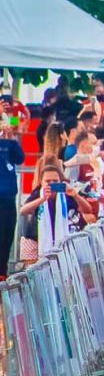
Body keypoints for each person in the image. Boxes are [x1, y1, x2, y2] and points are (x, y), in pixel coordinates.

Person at [0, 111, 26, 278]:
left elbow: (19, 158)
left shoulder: (10, 119)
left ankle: (2, 273)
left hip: (8, 197)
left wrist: (10, 138)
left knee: (6, 236)